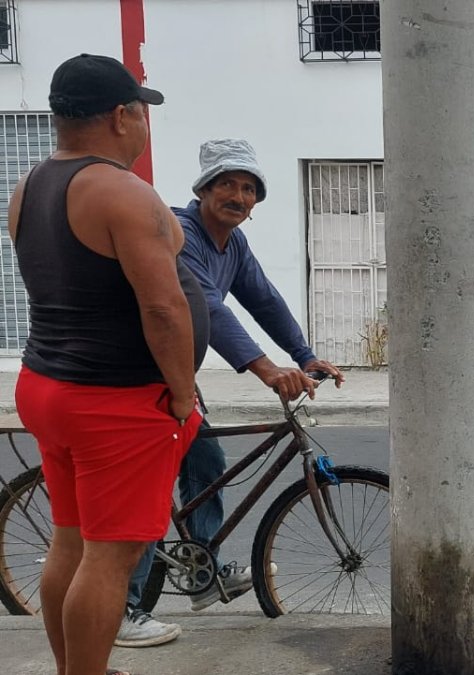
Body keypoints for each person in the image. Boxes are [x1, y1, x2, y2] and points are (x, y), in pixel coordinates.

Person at [11, 54, 207, 675]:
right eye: (142, 109)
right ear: (122, 116)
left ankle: (78, 668)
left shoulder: (30, 184)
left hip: (49, 384)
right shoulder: (123, 192)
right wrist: (181, 393)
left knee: (71, 541)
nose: (145, 121)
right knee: (111, 556)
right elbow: (164, 307)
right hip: (114, 402)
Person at [120, 138, 344, 647]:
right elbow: (207, 307)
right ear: (203, 189)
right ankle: (123, 609)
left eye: (249, 188)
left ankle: (203, 574)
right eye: (227, 184)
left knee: (204, 461)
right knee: (150, 489)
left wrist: (303, 354)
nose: (239, 196)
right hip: (139, 374)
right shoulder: (182, 232)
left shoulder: (233, 244)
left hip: (176, 374)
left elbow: (263, 298)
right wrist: (267, 369)